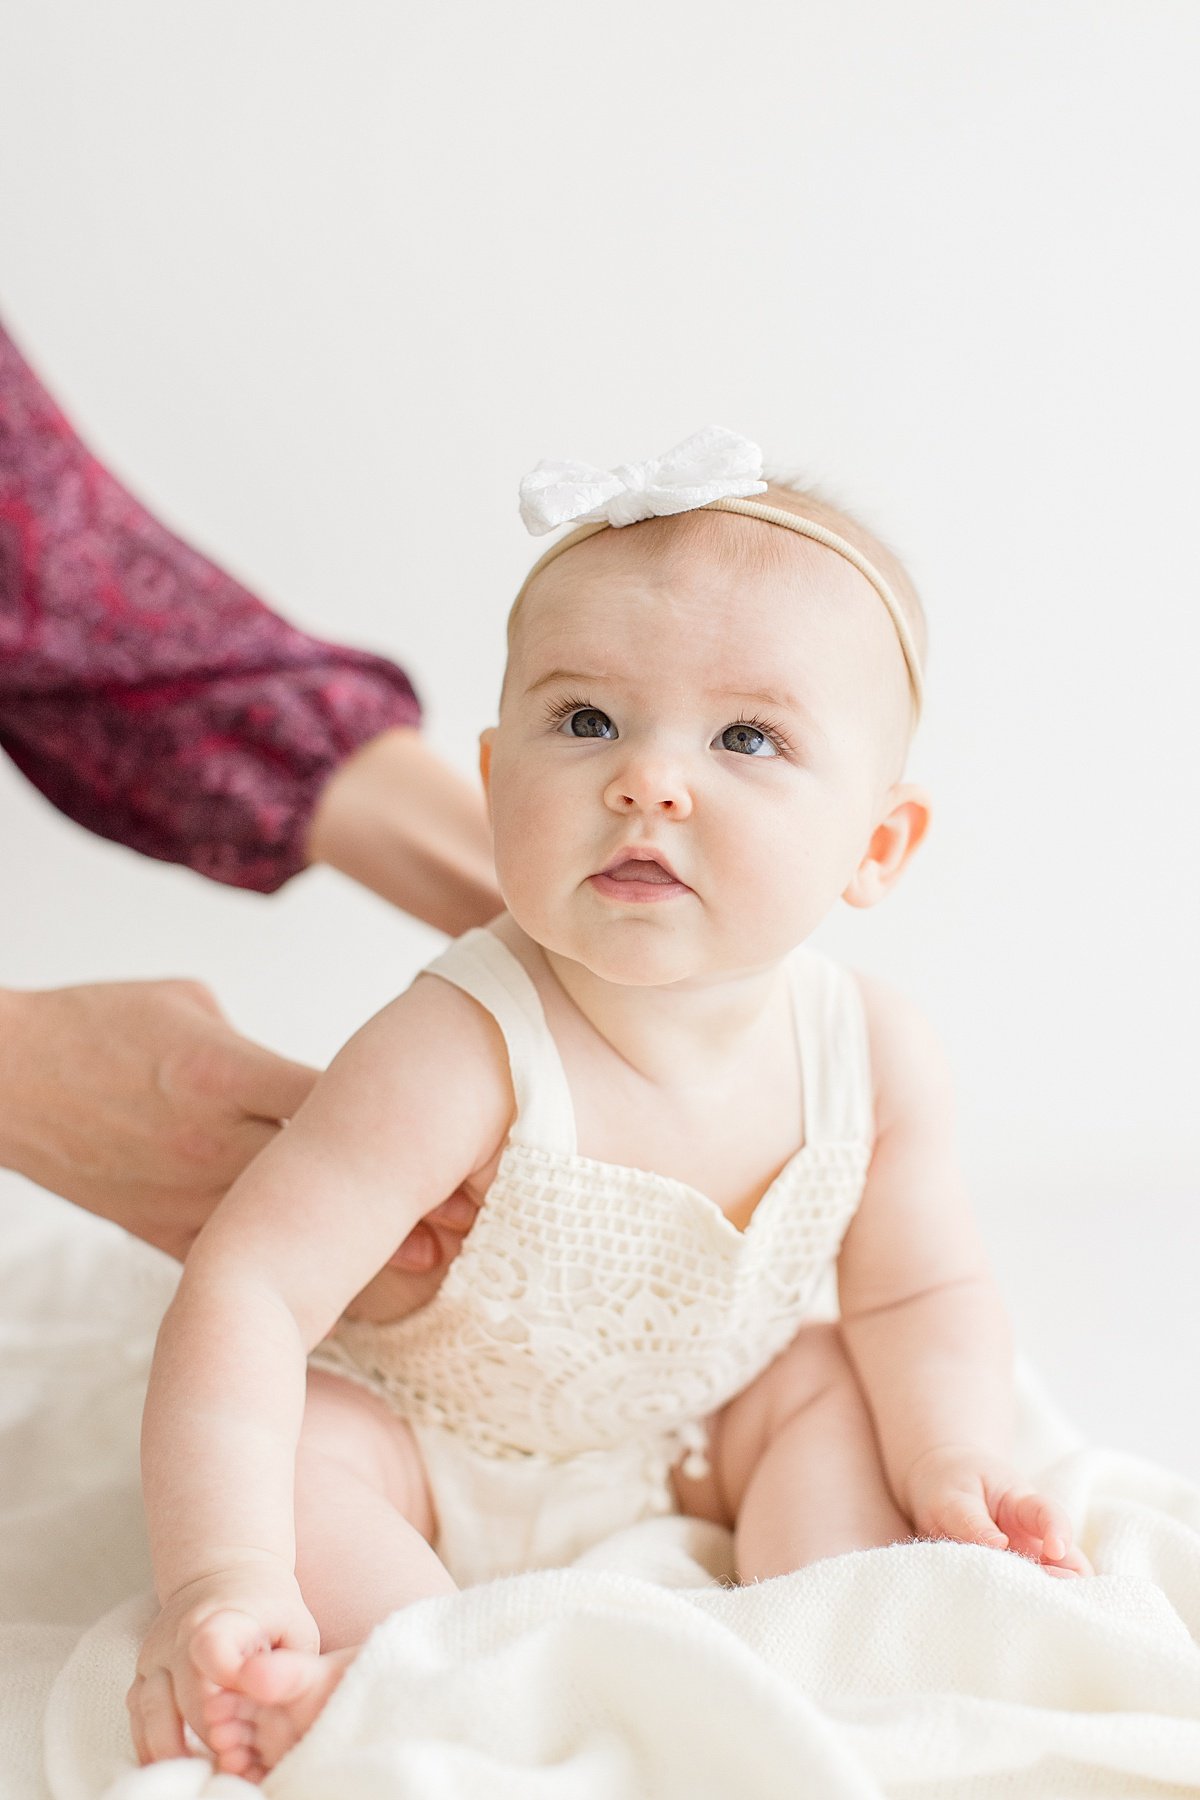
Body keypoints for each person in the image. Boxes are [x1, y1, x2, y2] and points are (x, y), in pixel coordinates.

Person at [126, 428, 1092, 1781]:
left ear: (877, 845)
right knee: (311, 1462)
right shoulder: (458, 1048)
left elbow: (920, 1296)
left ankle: (826, 1647)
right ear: (490, 776)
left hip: (687, 1435)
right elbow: (251, 1293)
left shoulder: (871, 1049)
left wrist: (955, 1456)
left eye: (749, 736)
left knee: (827, 1382)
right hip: (428, 1450)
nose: (648, 779)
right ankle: (415, 1676)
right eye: (585, 722)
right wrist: (218, 1575)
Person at [0, 317, 500, 1268]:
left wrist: (539, 888)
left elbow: (64, 582)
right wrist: (19, 1071)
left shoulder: (850, 1063)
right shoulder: (429, 1061)